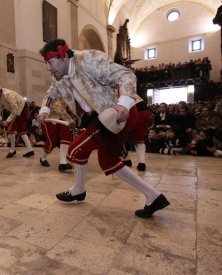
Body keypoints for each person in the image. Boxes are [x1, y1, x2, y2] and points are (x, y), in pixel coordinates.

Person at [37, 39, 170, 218]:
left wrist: (123, 104)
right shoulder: (59, 77)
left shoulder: (88, 59)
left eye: (50, 63)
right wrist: (44, 109)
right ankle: (153, 196)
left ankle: (78, 189)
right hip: (103, 117)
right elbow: (50, 94)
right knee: (107, 161)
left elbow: (126, 75)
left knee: (76, 150)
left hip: (120, 112)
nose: (48, 69)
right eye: (46, 63)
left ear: (62, 57)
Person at [0, 83, 34, 158]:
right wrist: (0, 119)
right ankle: (30, 150)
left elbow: (15, 109)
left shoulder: (8, 95)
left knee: (11, 128)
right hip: (18, 110)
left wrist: (7, 121)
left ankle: (13, 150)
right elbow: (0, 108)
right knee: (19, 130)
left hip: (21, 109)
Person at [39, 97, 74, 171]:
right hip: (49, 119)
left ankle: (63, 162)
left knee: (66, 135)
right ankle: (43, 157)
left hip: (61, 119)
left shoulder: (67, 93)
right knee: (52, 141)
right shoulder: (55, 90)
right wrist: (69, 119)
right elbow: (57, 107)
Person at [121, 95, 151, 171]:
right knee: (139, 137)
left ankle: (126, 159)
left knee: (119, 135)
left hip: (133, 110)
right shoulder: (126, 87)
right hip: (145, 111)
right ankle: (141, 163)